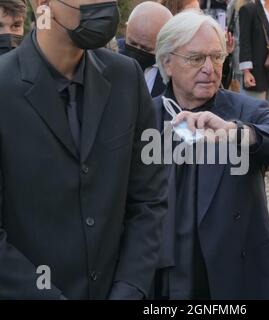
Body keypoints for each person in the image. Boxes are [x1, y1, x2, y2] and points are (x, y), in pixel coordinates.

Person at [0, 0, 167, 299]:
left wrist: (129, 288)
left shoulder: (126, 78)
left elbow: (149, 199)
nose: (103, 4)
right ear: (42, 4)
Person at [152, 10, 269, 299]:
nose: (209, 68)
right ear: (167, 62)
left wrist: (243, 134)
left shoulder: (244, 111)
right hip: (164, 276)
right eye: (195, 58)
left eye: (216, 57)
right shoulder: (145, 115)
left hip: (236, 276)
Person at [122, 1, 173, 98]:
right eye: (132, 43)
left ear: (165, 43)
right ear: (126, 29)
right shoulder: (110, 53)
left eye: (146, 49)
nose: (137, 50)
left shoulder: (174, 71)